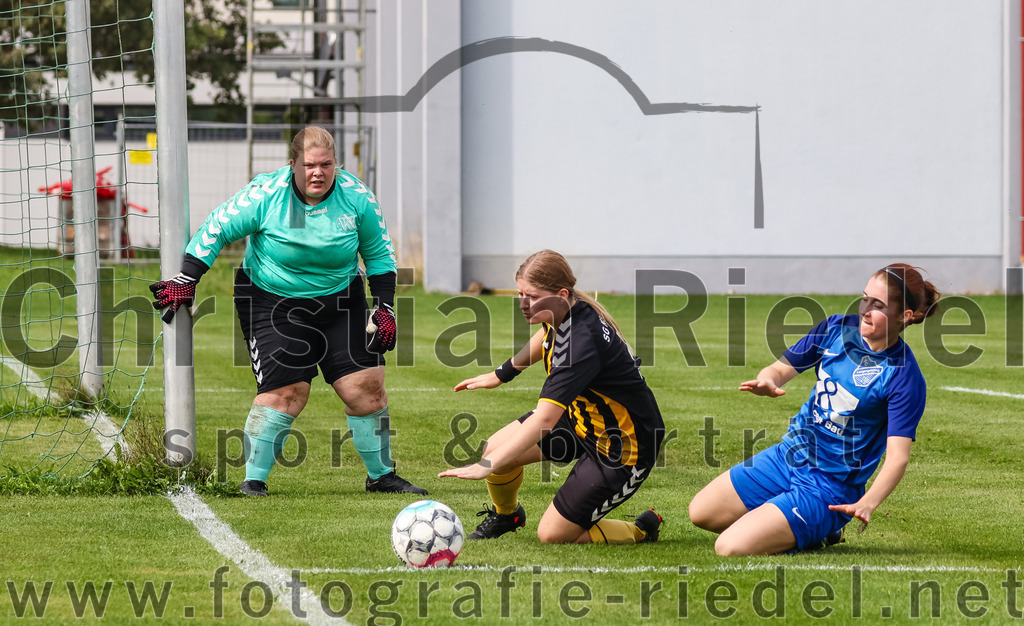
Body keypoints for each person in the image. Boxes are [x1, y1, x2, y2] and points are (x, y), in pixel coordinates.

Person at [150, 125, 427, 497]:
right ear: (293, 164)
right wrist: (188, 278)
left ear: (336, 165)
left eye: (327, 164)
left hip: (341, 299)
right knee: (287, 391)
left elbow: (379, 255)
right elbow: (215, 227)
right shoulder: (266, 195)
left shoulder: (357, 197)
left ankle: (382, 476)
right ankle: (253, 481)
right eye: (310, 165)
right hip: (271, 300)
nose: (318, 172)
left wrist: (385, 308)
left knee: (366, 387)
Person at [688, 263, 941, 555]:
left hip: (828, 487)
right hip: (788, 456)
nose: (865, 309)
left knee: (728, 546)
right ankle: (811, 525)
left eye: (878, 305)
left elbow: (897, 458)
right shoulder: (835, 329)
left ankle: (821, 521)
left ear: (905, 315)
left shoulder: (904, 376)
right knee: (701, 512)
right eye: (864, 298)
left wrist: (867, 503)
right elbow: (779, 369)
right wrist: (767, 380)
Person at [439, 250, 664, 545]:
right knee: (495, 448)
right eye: (520, 293)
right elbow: (545, 337)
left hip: (622, 448)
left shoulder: (580, 344)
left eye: (531, 296)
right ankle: (508, 515)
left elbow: (545, 418)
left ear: (560, 294)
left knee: (552, 534)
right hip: (582, 421)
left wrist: (486, 467)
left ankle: (643, 529)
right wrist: (502, 373)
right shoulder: (564, 309)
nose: (523, 304)